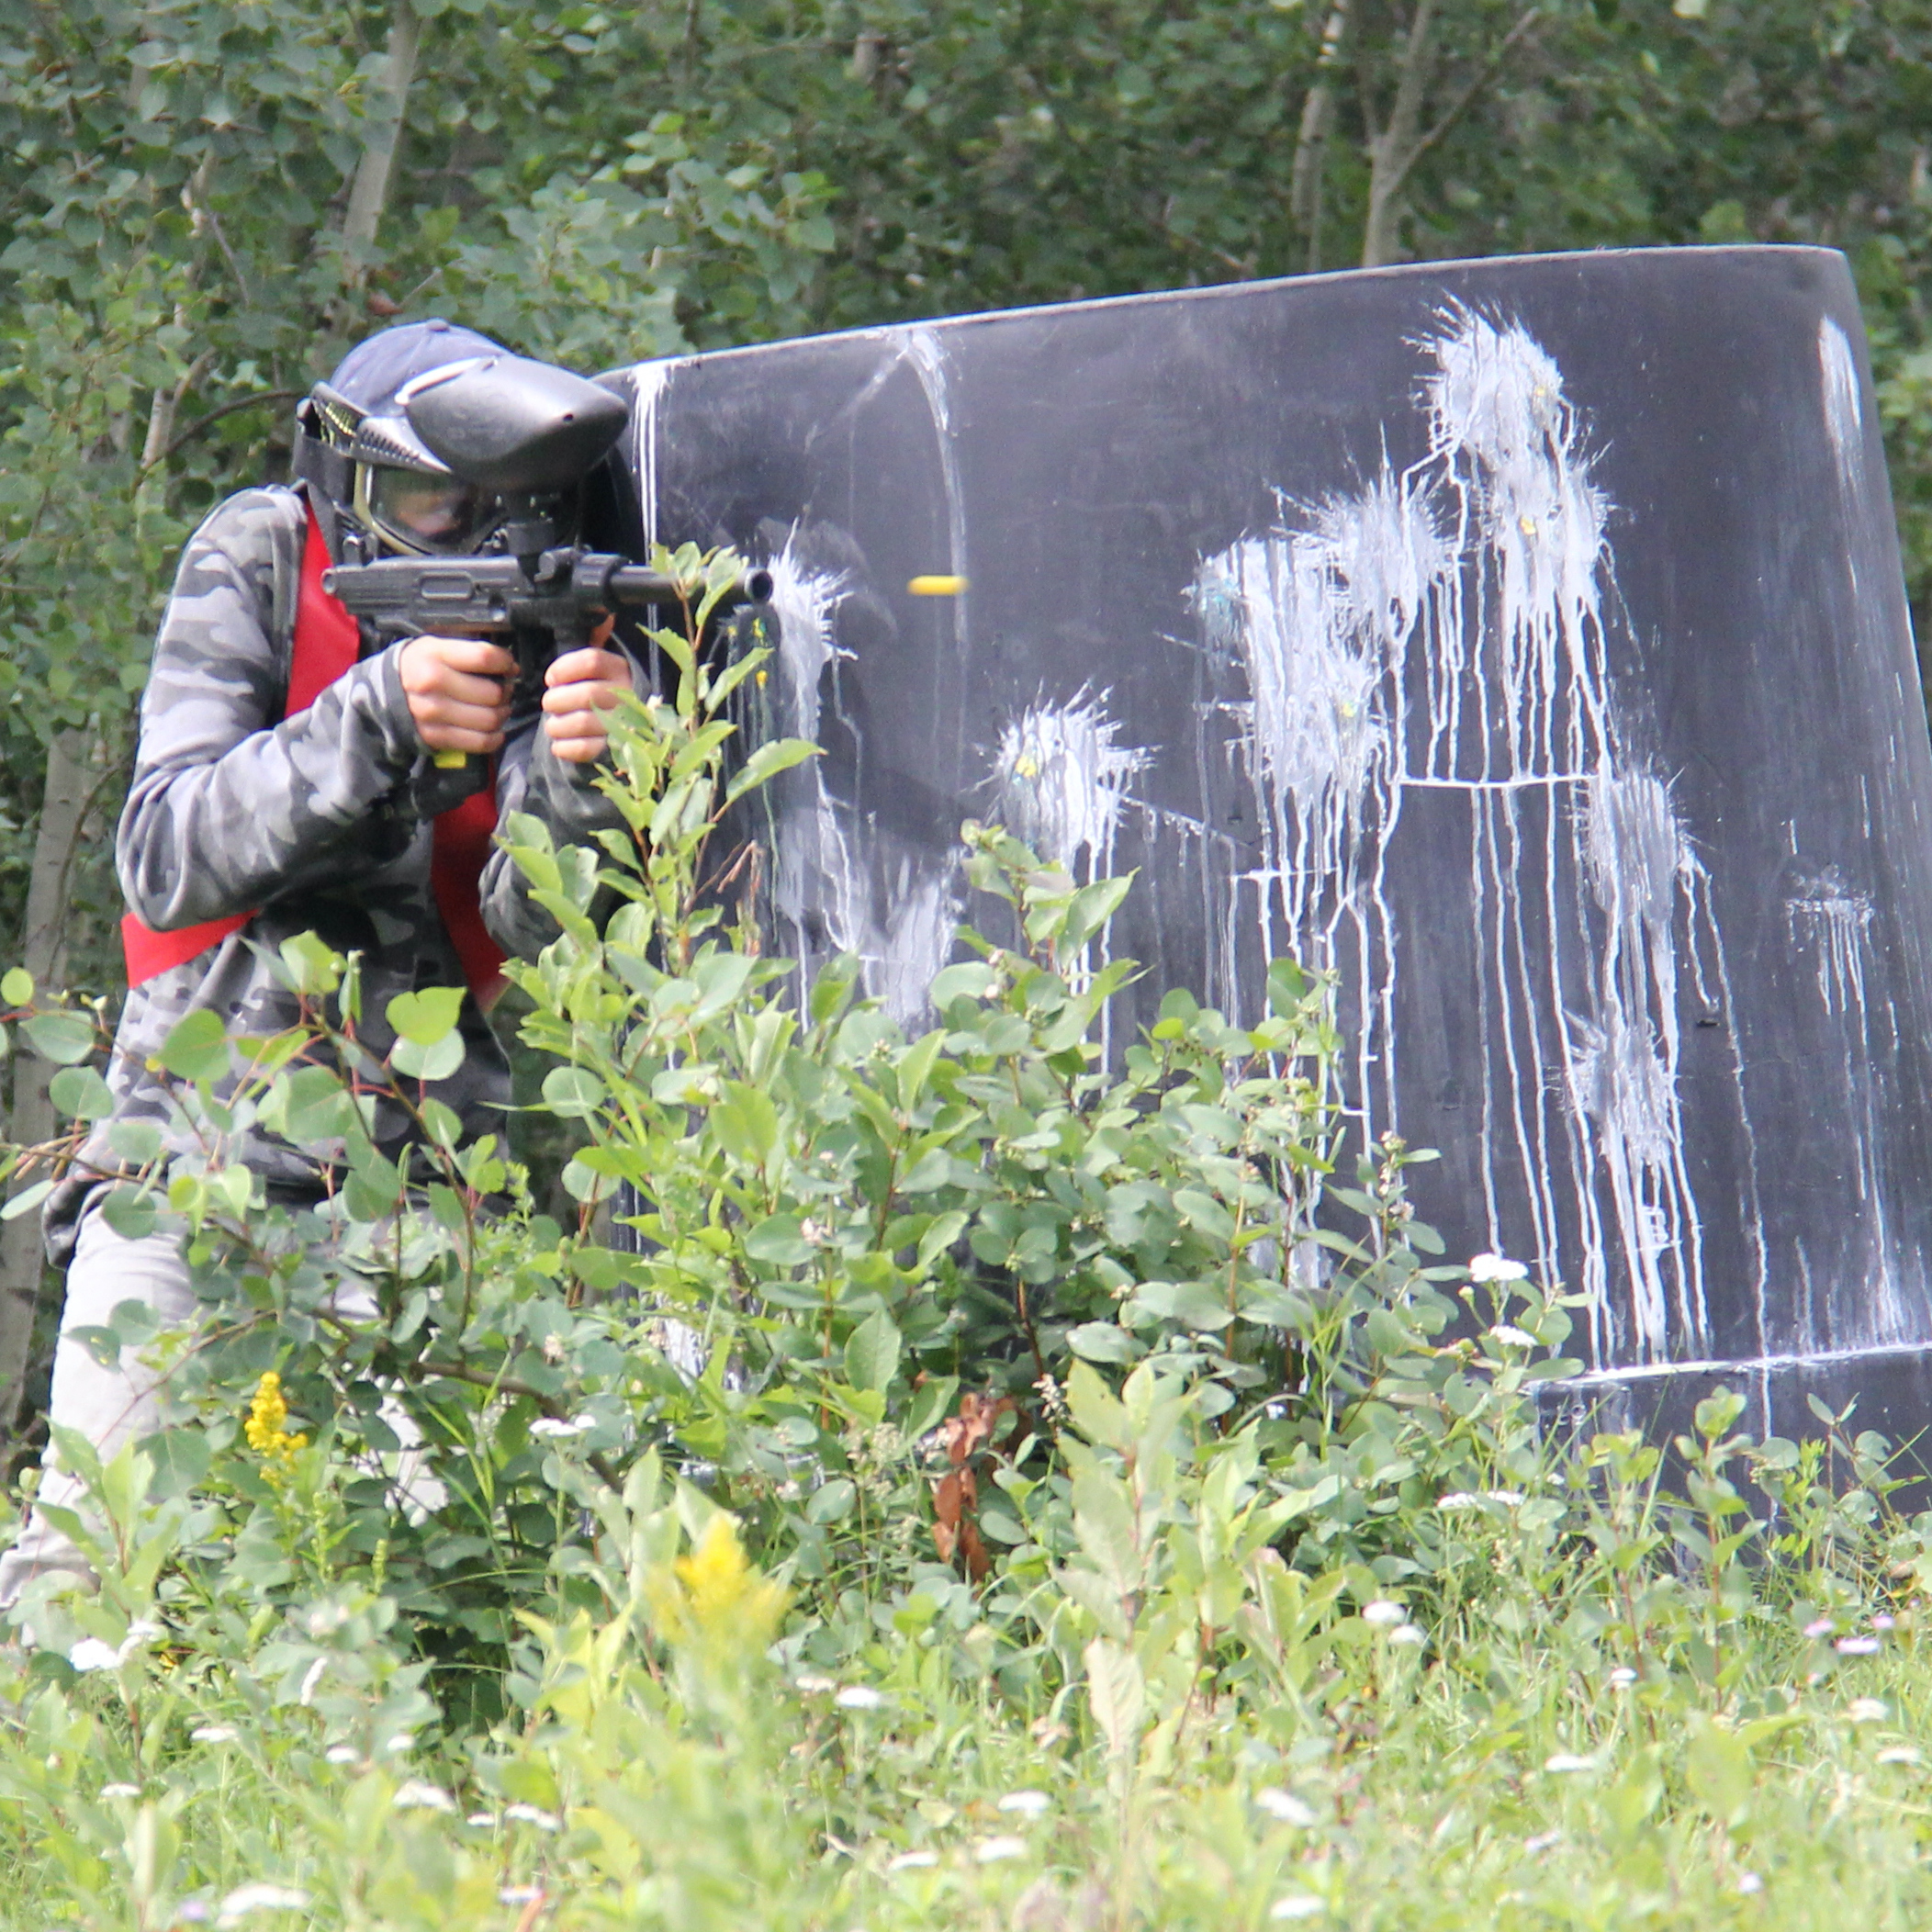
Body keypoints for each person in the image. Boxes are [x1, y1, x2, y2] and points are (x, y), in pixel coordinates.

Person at [0, 319, 639, 1610]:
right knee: (88, 1572)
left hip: (435, 1201)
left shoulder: (552, 605)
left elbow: (537, 926)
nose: (461, 532)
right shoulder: (263, 558)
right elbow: (165, 850)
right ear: (346, 485)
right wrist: (376, 716)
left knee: (411, 1602)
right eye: (427, 501)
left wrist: (584, 771)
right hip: (197, 1167)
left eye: (493, 509)